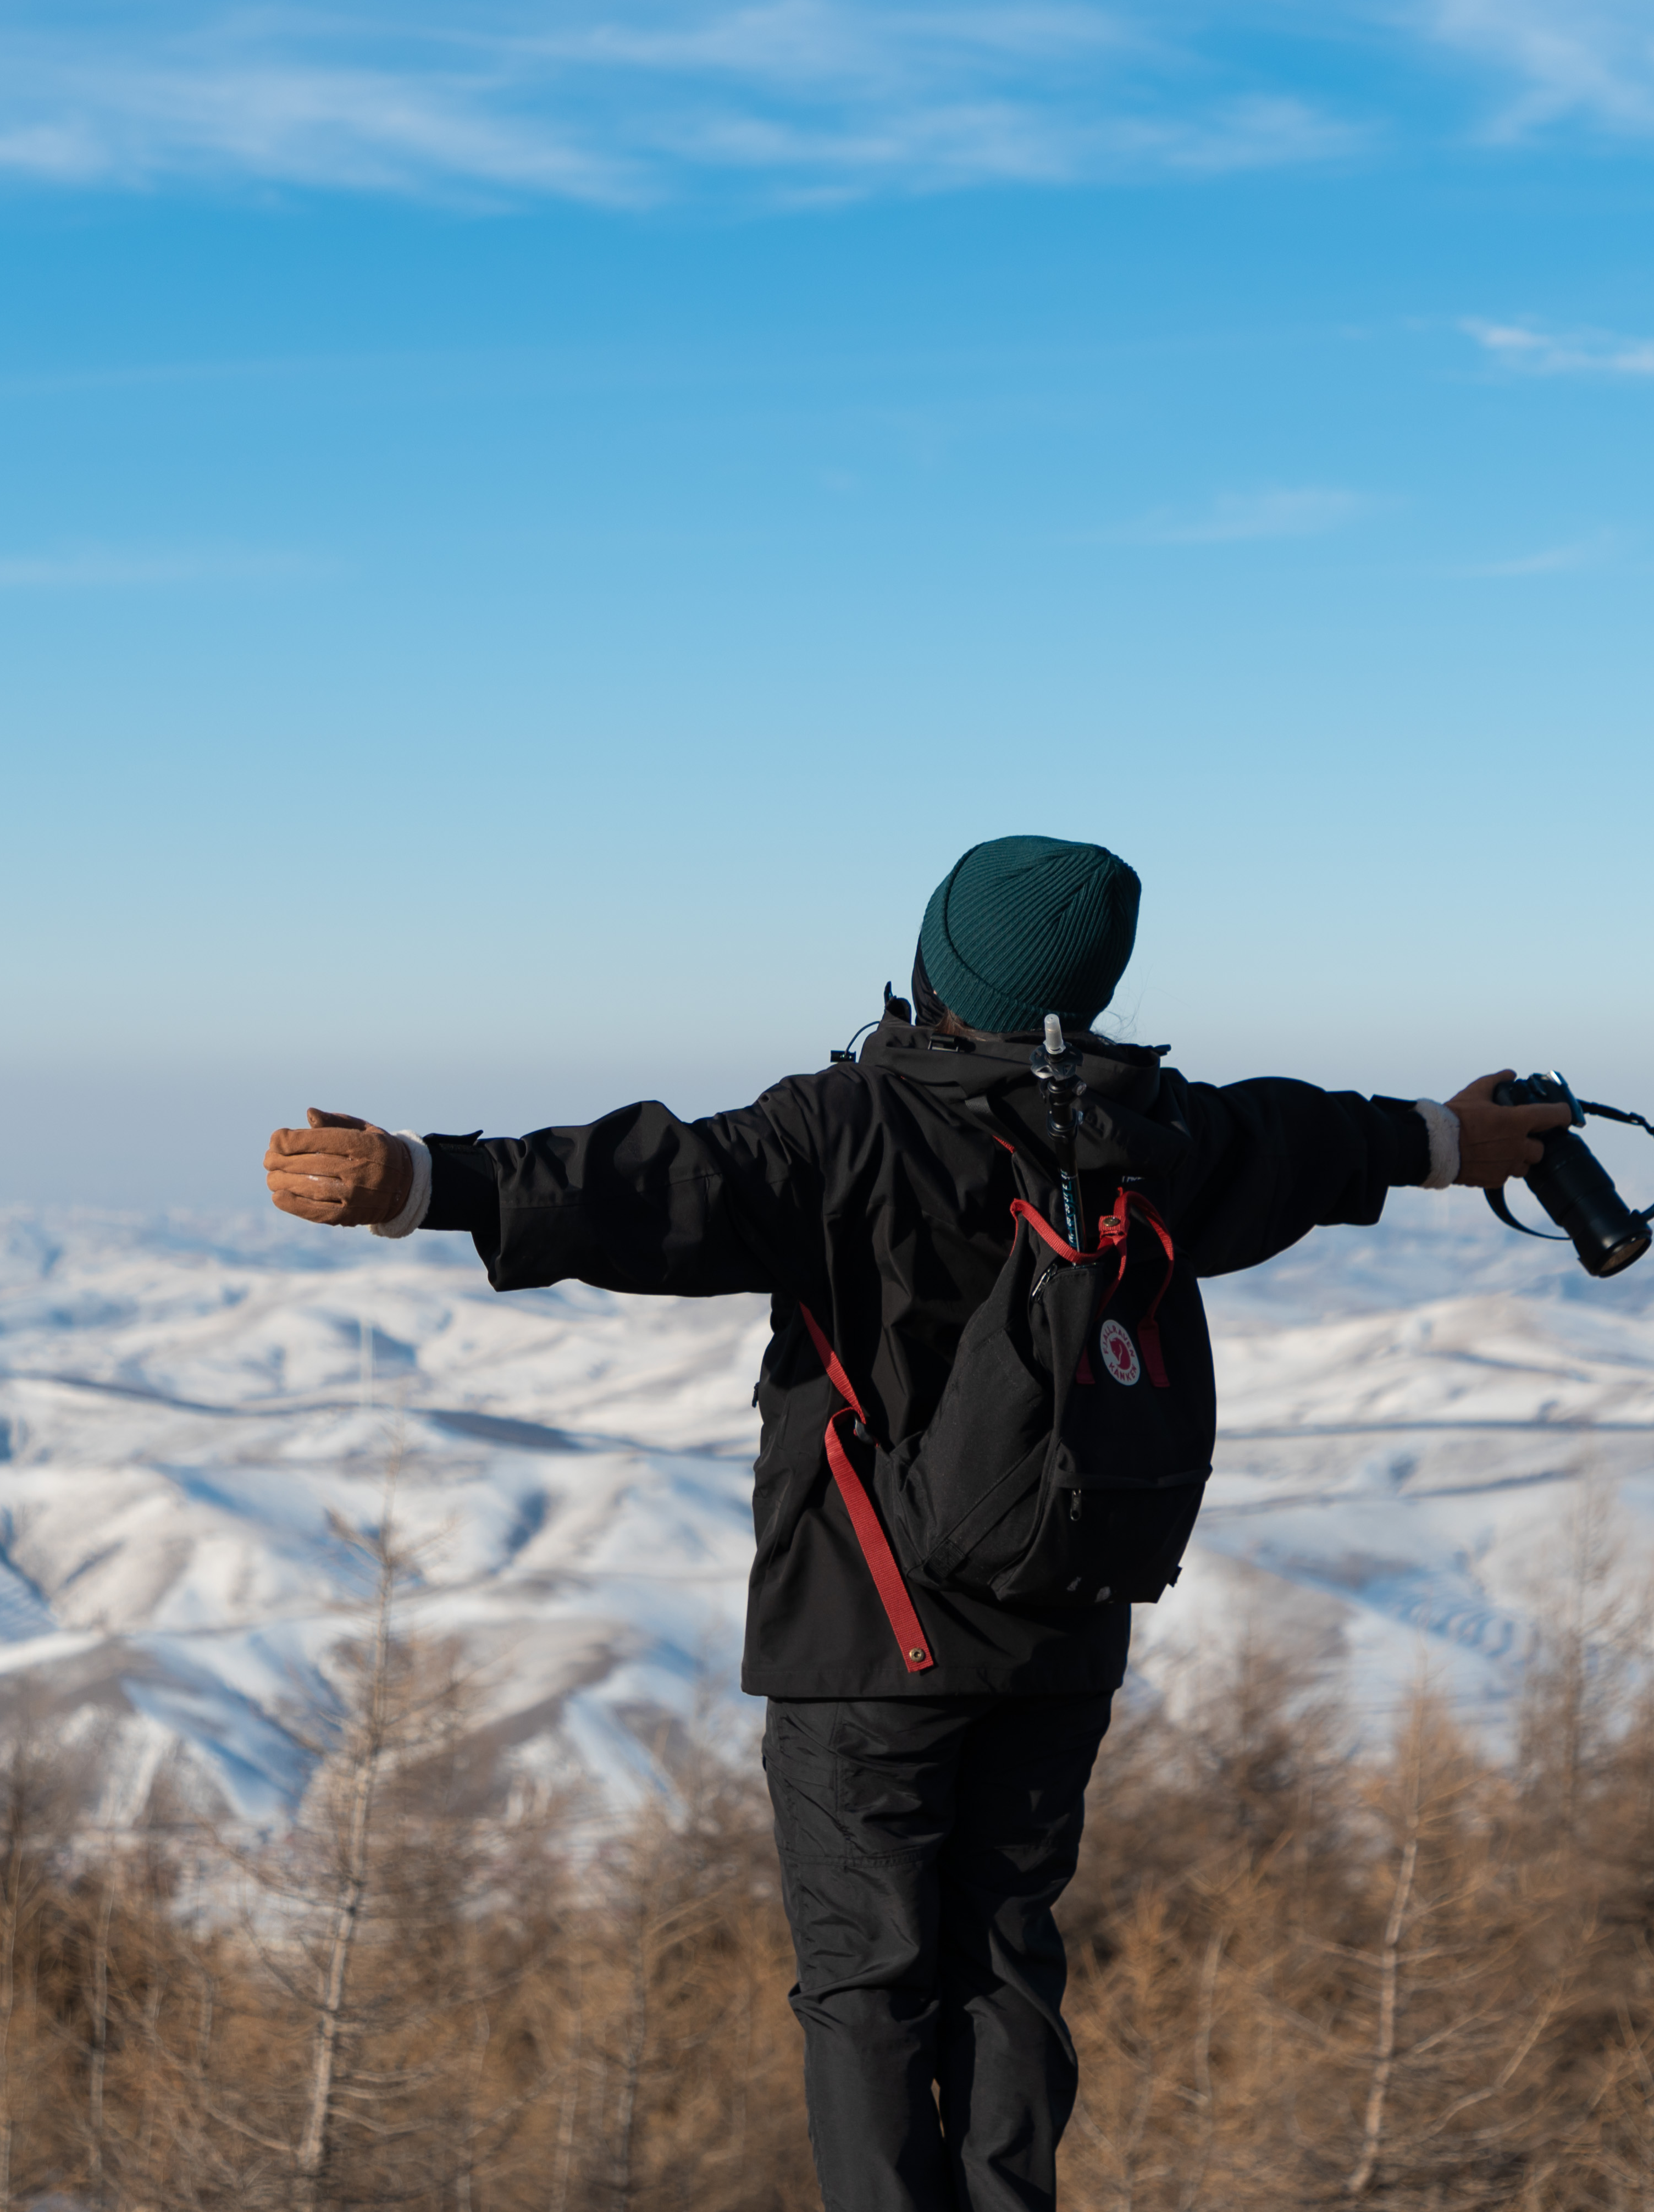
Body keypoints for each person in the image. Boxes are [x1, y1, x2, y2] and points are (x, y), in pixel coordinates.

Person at [261, 835, 1570, 2212]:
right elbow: (1303, 1140)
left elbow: (642, 1184)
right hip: (1062, 1628)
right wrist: (1452, 1138)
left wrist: (417, 1181)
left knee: (868, 1985)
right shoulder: (1150, 1132)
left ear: (937, 959)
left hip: (872, 1641)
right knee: (1005, 1962)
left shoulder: (847, 1129)